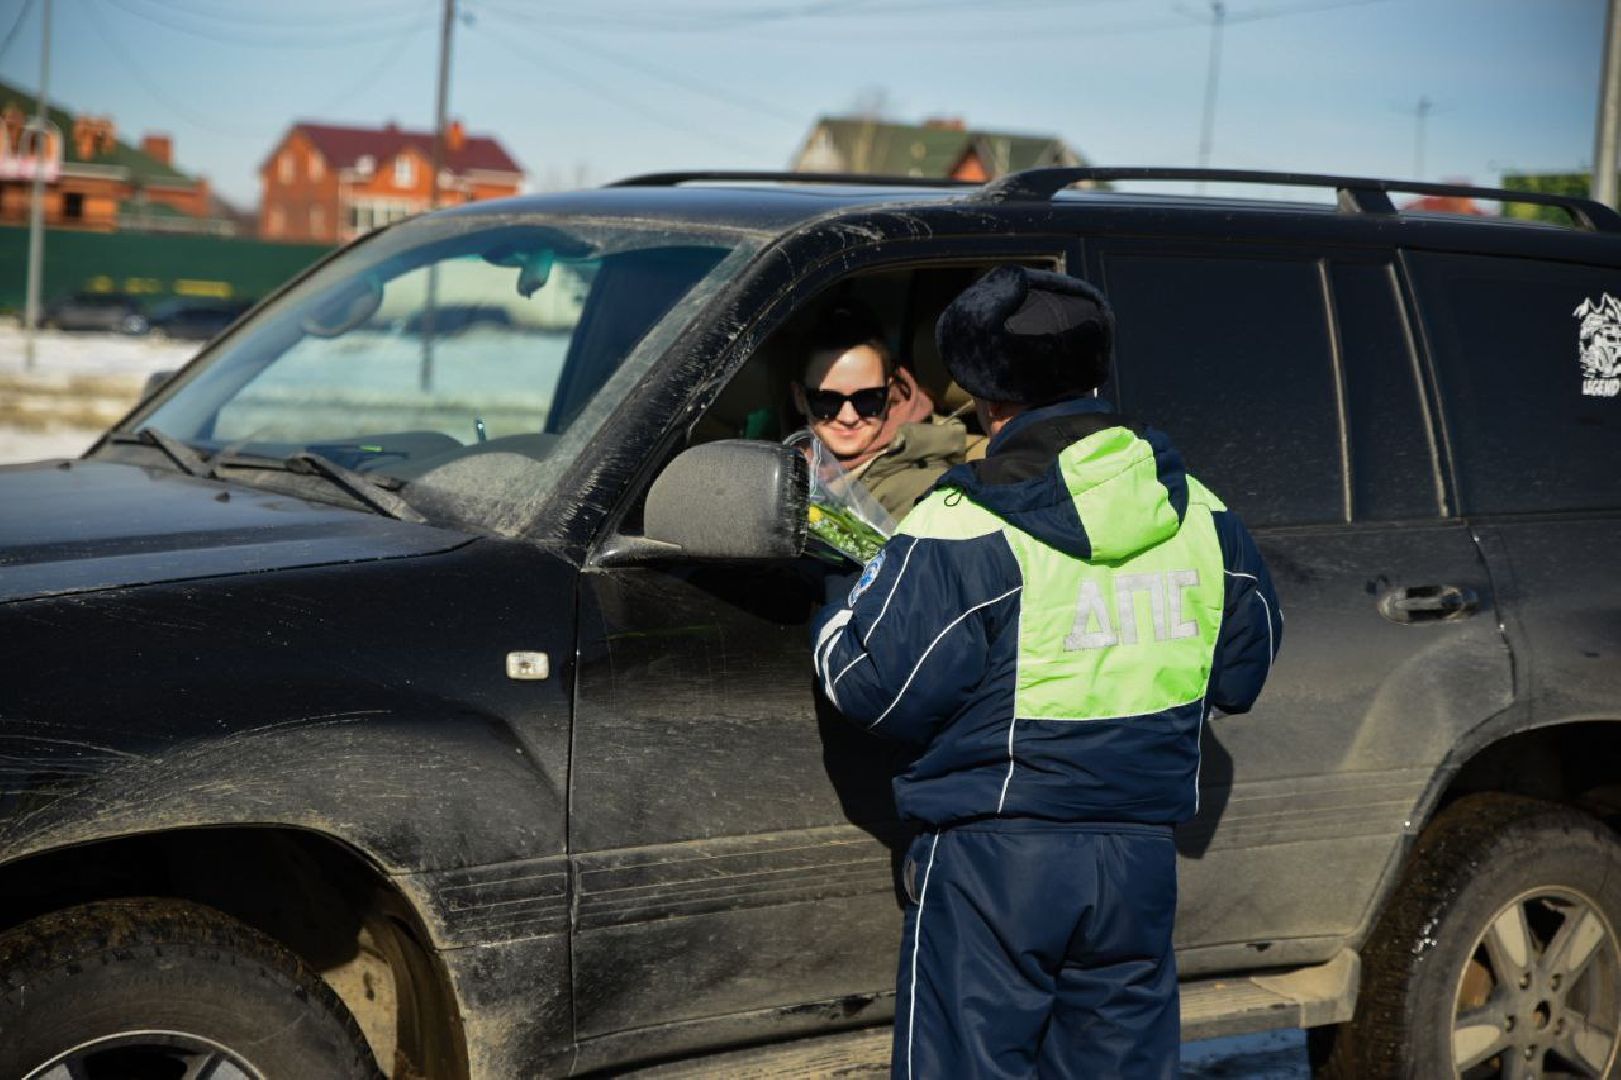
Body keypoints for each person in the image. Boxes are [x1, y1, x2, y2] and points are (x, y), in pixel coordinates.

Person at [811, 266, 1282, 1078]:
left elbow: (873, 686)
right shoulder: (1202, 513)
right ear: (1095, 372)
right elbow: (1240, 675)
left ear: (986, 394)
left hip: (996, 862)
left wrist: (833, 601)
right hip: (1136, 863)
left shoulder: (962, 524)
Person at [791, 303, 976, 521]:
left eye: (867, 399)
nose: (849, 417)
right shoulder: (792, 462)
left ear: (890, 393)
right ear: (800, 398)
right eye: (827, 401)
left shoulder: (928, 492)